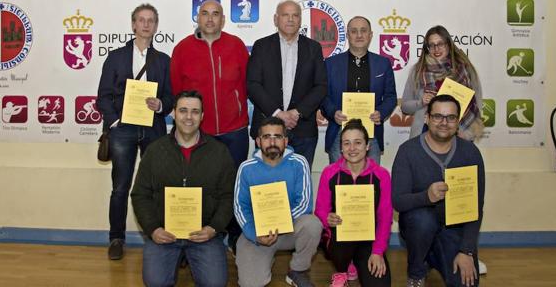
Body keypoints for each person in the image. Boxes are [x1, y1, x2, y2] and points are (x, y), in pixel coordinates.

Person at [131, 90, 236, 287]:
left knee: (215, 284)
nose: (189, 117)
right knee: (155, 282)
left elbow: (228, 197)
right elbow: (140, 195)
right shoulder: (155, 150)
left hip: (204, 234)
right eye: (183, 110)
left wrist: (214, 228)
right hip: (165, 234)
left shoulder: (219, 152)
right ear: (174, 113)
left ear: (202, 116)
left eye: (195, 112)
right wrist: (153, 229)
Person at [96, 3, 174, 260]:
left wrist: (160, 105)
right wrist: (115, 122)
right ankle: (116, 238)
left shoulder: (163, 60)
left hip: (153, 128)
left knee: (158, 185)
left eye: (151, 20)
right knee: (120, 187)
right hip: (123, 130)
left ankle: (162, 236)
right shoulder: (116, 57)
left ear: (156, 26)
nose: (146, 24)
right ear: (133, 25)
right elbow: (103, 97)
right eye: (141, 20)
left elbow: (170, 97)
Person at [392, 95, 485, 287]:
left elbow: (476, 206)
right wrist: (426, 196)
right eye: (438, 116)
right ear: (427, 118)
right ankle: (417, 270)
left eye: (451, 117)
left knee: (467, 283)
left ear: (458, 121)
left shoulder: (470, 153)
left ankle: (435, 258)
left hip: (454, 229)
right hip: (418, 226)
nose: (444, 123)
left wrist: (467, 251)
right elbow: (398, 201)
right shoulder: (408, 151)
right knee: (423, 221)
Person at [234, 116, 322, 287]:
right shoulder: (246, 167)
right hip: (258, 234)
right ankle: (265, 257)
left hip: (290, 229)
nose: (272, 141)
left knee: (312, 224)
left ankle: (298, 270)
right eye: (267, 137)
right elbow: (240, 207)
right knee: (250, 284)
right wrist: (255, 234)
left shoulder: (299, 162)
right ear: (258, 141)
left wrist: (279, 222)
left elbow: (304, 203)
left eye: (278, 136)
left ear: (286, 140)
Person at [247, 0, 327, 168]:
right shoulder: (261, 46)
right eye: (285, 15)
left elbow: (320, 86)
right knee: (268, 187)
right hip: (268, 129)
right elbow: (253, 85)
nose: (290, 19)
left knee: (299, 182)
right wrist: (278, 114)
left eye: (295, 15)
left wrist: (297, 112)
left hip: (303, 130)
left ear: (300, 20)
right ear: (276, 19)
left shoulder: (314, 48)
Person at [170, 0, 250, 167]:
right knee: (201, 186)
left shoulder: (236, 45)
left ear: (223, 20)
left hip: (235, 131)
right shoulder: (182, 49)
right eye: (205, 14)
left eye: (215, 14)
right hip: (197, 132)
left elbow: (247, 84)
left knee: (233, 183)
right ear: (198, 18)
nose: (210, 19)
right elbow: (177, 90)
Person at [315, 119, 392, 287]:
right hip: (339, 239)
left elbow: (385, 217)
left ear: (367, 146)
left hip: (368, 239)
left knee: (379, 284)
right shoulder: (329, 173)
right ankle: (342, 269)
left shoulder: (382, 175)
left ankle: (358, 262)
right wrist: (327, 218)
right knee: (340, 236)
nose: (352, 148)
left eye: (358, 143)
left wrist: (378, 252)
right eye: (347, 143)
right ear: (341, 148)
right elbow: (320, 210)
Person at [321, 16, 397, 164]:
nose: (359, 35)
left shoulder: (383, 63)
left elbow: (391, 97)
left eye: (363, 31)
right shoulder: (330, 64)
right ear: (348, 35)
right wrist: (333, 112)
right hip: (339, 133)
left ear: (370, 35)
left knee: (370, 183)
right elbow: (323, 96)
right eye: (354, 31)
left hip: (371, 135)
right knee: (339, 182)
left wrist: (381, 113)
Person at [401, 25, 483, 141]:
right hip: (424, 134)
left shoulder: (465, 69)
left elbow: (477, 103)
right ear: (427, 48)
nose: (436, 49)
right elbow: (405, 107)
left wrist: (467, 134)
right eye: (432, 45)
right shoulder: (418, 71)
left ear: (448, 45)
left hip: (459, 134)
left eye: (440, 44)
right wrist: (421, 102)